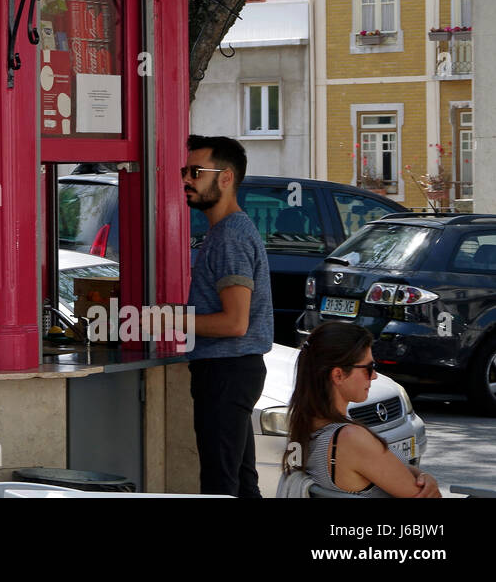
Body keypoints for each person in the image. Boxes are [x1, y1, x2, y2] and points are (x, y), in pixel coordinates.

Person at [182, 135, 273, 497]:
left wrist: (167, 318)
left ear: (225, 178)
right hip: (231, 370)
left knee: (221, 485)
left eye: (196, 171)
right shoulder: (227, 232)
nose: (187, 180)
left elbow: (235, 322)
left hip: (226, 370)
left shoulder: (229, 237)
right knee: (241, 481)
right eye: (184, 171)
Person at [285, 321, 440, 497]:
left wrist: (420, 474)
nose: (374, 376)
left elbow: (382, 466)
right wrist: (427, 481)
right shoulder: (351, 438)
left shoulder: (306, 426)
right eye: (368, 368)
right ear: (338, 375)